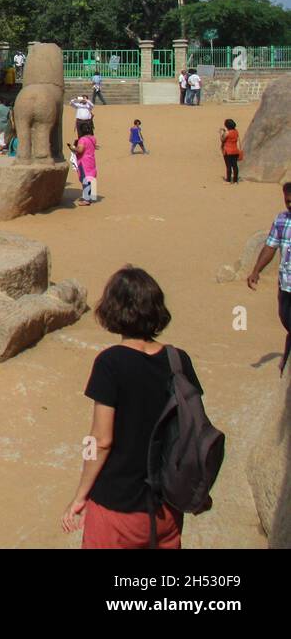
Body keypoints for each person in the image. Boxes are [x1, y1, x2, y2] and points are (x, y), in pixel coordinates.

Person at [61, 266, 204, 548]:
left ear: (113, 310)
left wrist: (80, 496)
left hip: (118, 506)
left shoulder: (110, 363)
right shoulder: (179, 360)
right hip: (167, 506)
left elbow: (100, 440)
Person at [246, 181, 291, 375]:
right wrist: (256, 270)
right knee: (286, 319)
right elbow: (270, 247)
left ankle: (287, 360)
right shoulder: (281, 220)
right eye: (288, 201)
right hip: (286, 284)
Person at [69, 119, 97, 205]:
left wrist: (72, 148)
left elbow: (80, 150)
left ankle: (86, 199)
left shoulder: (82, 139)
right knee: (91, 178)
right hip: (91, 160)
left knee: (85, 179)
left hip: (84, 161)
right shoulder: (93, 138)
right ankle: (91, 196)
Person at [219, 119, 241, 184]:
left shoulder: (227, 133)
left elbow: (222, 139)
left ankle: (228, 180)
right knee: (235, 166)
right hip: (235, 150)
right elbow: (238, 140)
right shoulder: (236, 131)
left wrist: (221, 133)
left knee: (228, 166)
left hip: (228, 151)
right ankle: (235, 180)